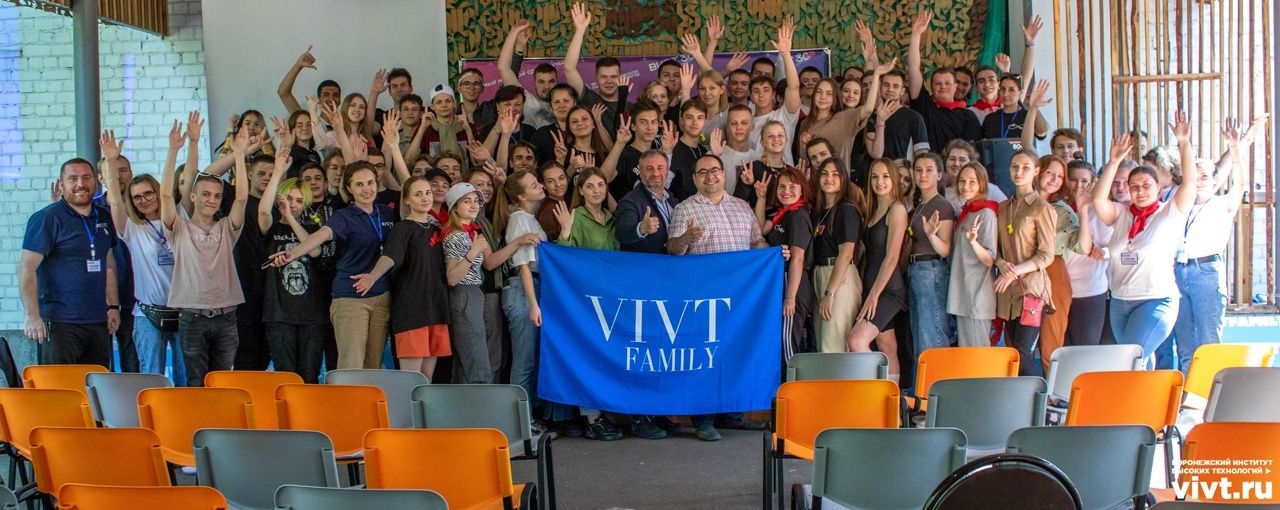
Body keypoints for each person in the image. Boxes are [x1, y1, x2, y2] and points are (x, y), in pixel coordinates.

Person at [667, 154, 769, 441]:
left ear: (724, 174)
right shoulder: (685, 209)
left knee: (734, 354)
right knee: (704, 359)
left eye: (714, 170)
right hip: (704, 300)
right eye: (703, 172)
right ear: (695, 178)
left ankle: (732, 415)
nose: (710, 176)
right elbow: (673, 250)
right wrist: (685, 239)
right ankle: (703, 419)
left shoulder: (742, 206)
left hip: (739, 298)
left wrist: (773, 253)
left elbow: (756, 242)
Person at [268, 160, 395, 370]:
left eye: (370, 182)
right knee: (352, 366)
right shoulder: (343, 216)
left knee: (373, 366)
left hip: (381, 295)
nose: (366, 189)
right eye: (359, 184)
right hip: (351, 296)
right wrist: (293, 254)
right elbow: (321, 235)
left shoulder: (387, 212)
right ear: (349, 188)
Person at [1091, 118, 1198, 365]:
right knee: (1140, 363)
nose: (1140, 191)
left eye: (1146, 185)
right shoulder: (1122, 213)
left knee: (1129, 359)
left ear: (1158, 188)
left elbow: (1190, 183)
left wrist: (1184, 142)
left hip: (1155, 299)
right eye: (1134, 187)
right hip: (1120, 301)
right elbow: (1098, 200)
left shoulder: (1169, 213)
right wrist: (1114, 162)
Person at [1170, 116, 1263, 371]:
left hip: (1206, 272)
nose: (1199, 181)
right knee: (1184, 344)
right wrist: (1182, 142)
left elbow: (1240, 184)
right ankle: (1187, 392)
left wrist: (1235, 147)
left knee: (1208, 340)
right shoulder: (1178, 203)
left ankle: (1212, 390)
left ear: (1214, 179)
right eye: (1195, 176)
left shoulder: (1223, 204)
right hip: (1177, 271)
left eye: (1204, 176)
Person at [163, 120, 249, 387]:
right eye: (206, 194)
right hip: (192, 316)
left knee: (222, 382)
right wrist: (174, 150)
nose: (212, 199)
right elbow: (165, 195)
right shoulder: (179, 227)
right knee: (196, 382)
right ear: (194, 197)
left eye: (217, 196)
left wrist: (239, 156)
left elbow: (242, 199)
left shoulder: (227, 228)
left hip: (226, 316)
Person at [102, 127, 190, 384]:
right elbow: (115, 202)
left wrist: (174, 150)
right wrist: (110, 162)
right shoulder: (131, 228)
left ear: (157, 192)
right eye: (137, 197)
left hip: (184, 311)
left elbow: (177, 186)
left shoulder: (178, 217)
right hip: (148, 315)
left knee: (187, 381)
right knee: (152, 379)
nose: (143, 200)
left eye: (148, 193)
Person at [22, 152, 121, 367]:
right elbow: (26, 268)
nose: (80, 184)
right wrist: (32, 316)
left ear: (95, 181)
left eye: (86, 177)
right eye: (73, 178)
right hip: (59, 323)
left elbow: (108, 262)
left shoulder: (104, 216)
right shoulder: (47, 218)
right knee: (60, 385)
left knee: (96, 383)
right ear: (61, 184)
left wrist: (113, 306)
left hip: (98, 321)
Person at [351, 176, 453, 383]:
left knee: (426, 379)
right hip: (412, 312)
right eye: (418, 194)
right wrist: (372, 276)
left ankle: (422, 407)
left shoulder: (437, 230)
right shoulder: (402, 229)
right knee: (411, 380)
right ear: (406, 199)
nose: (425, 198)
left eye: (427, 193)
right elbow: (390, 257)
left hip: (436, 309)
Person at [443, 182, 535, 384]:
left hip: (476, 293)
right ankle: (480, 401)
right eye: (466, 201)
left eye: (476, 201)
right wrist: (472, 253)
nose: (473, 205)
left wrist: (518, 242)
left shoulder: (474, 233)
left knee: (474, 356)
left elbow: (491, 262)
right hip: (464, 293)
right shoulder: (455, 236)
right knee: (476, 359)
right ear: (454, 207)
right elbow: (452, 278)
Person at [994, 149, 1057, 376]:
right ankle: (1024, 396)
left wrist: (1014, 271)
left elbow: (1046, 254)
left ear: (1036, 171)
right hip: (1008, 293)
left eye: (1025, 167)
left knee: (1022, 353)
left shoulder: (1042, 208)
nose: (1019, 172)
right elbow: (995, 249)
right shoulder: (1003, 207)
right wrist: (1000, 262)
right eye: (1014, 167)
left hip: (1032, 291)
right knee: (1012, 353)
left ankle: (1042, 396)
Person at [492, 171, 548, 421]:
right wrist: (533, 304)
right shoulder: (518, 219)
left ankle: (528, 416)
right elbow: (523, 265)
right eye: (534, 185)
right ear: (522, 196)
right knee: (524, 360)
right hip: (523, 290)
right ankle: (521, 420)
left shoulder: (529, 218)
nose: (540, 186)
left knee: (530, 359)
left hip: (532, 288)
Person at [845, 158, 907, 381]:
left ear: (894, 179)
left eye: (885, 176)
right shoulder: (871, 210)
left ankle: (874, 393)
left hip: (888, 290)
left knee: (856, 340)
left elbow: (891, 258)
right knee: (887, 346)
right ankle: (893, 399)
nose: (880, 182)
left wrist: (874, 295)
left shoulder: (896, 209)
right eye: (875, 177)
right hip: (871, 287)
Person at [1034, 155, 1091, 372]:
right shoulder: (1016, 203)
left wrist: (1083, 212)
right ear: (1038, 172)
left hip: (1052, 271)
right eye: (1050, 173)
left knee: (1051, 339)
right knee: (1019, 340)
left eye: (1060, 176)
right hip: (1019, 271)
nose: (1054, 179)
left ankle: (1053, 390)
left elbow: (1082, 247)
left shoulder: (1062, 210)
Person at [751, 166, 814, 359]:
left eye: (792, 186)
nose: (786, 191)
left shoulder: (798, 215)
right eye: (782, 186)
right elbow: (761, 229)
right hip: (781, 282)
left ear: (802, 189)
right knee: (781, 341)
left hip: (792, 283)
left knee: (788, 344)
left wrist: (790, 297)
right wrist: (761, 198)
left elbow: (798, 258)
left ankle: (793, 379)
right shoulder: (783, 213)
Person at [808, 158, 866, 353]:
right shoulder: (820, 211)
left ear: (843, 179)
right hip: (821, 273)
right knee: (824, 345)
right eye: (824, 174)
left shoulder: (846, 209)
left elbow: (846, 254)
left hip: (840, 277)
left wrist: (830, 293)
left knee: (834, 346)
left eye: (835, 174)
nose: (829, 179)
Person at [907, 12, 981, 152]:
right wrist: (916, 35)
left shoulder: (968, 116)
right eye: (938, 83)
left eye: (947, 83)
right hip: (928, 165)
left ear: (955, 86)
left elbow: (973, 153)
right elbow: (913, 69)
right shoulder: (925, 106)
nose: (943, 87)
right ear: (931, 87)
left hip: (956, 165)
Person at [906, 153, 956, 355]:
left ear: (939, 175)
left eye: (929, 170)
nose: (923, 175)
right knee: (919, 332)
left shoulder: (941, 205)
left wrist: (931, 235)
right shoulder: (920, 204)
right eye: (918, 170)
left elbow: (945, 249)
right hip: (916, 270)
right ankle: (923, 375)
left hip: (931, 269)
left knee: (932, 333)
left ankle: (936, 375)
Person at [1062, 160, 1114, 346]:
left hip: (1090, 291)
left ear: (1092, 184)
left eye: (1084, 181)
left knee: (1085, 349)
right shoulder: (1058, 209)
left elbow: (1115, 247)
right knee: (1061, 350)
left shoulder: (1098, 212)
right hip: (1060, 291)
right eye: (1073, 180)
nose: (1078, 185)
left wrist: (1104, 252)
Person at [946, 162, 999, 345]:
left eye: (972, 181)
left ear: (982, 184)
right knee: (967, 352)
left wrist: (974, 242)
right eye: (962, 181)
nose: (965, 186)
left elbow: (990, 259)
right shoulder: (967, 212)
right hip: (964, 293)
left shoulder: (986, 214)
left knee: (978, 354)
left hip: (977, 295)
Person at [564, 3, 631, 135]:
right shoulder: (589, 99)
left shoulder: (631, 107)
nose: (609, 81)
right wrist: (580, 31)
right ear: (596, 78)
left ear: (620, 78)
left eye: (613, 77)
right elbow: (569, 68)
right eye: (604, 77)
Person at [748, 18, 802, 163]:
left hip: (785, 176)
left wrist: (785, 54)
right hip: (756, 176)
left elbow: (793, 87)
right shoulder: (745, 123)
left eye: (766, 90)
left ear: (773, 94)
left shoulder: (784, 116)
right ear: (750, 96)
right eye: (756, 91)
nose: (761, 94)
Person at [616, 150, 680, 254]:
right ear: (641, 173)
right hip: (646, 263)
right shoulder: (630, 201)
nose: (656, 173)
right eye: (650, 168)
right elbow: (621, 232)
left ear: (667, 171)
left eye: (660, 168)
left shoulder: (672, 199)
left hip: (672, 261)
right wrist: (641, 228)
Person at [498, 20, 556, 128]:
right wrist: (514, 33)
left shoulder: (566, 105)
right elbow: (503, 67)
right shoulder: (528, 102)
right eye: (541, 82)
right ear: (534, 83)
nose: (547, 86)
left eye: (551, 81)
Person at [942, 139, 1007, 213]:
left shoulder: (988, 188)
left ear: (971, 162)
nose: (956, 164)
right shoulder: (944, 193)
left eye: (962, 160)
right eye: (952, 159)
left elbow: (1008, 212)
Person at [276, 45, 341, 114]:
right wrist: (298, 65)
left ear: (340, 99)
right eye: (326, 95)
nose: (331, 99)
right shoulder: (308, 120)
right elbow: (283, 93)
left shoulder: (347, 119)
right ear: (319, 99)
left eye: (335, 95)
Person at [537, 162, 571, 241]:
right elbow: (550, 244)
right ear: (543, 185)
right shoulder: (548, 210)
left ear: (567, 178)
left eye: (561, 178)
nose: (558, 184)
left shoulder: (564, 201)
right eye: (550, 181)